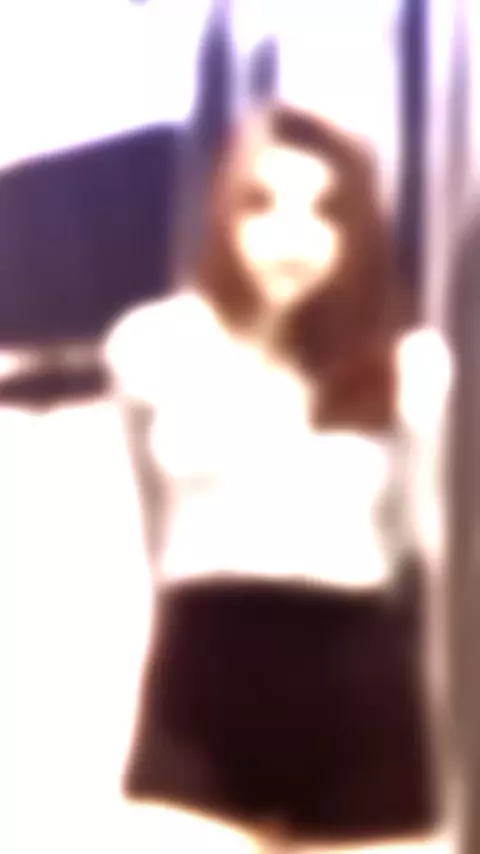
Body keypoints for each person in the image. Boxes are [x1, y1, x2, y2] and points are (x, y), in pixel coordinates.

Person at [104, 103, 454, 853]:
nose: (291, 238)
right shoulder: (152, 347)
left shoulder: (413, 367)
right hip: (201, 684)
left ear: (359, 232)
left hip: (360, 688)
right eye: (262, 205)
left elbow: (422, 543)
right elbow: (152, 530)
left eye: (325, 212)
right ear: (223, 215)